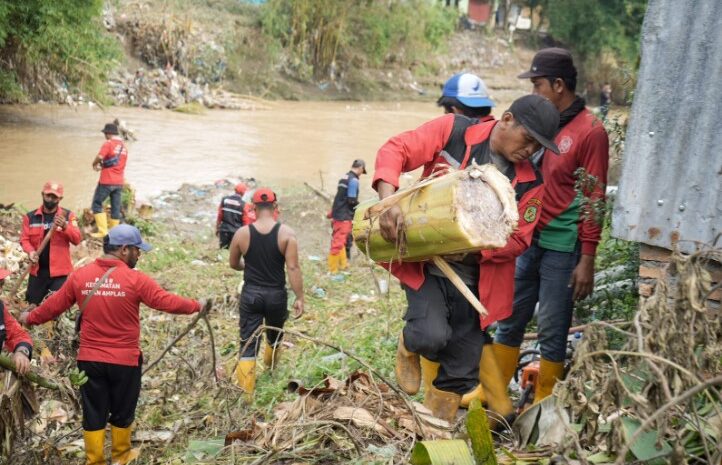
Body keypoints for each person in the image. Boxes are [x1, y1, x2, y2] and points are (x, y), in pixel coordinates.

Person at [374, 94, 559, 422]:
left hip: (477, 279)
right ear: (506, 120)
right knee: (430, 335)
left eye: (537, 147)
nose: (529, 151)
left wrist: (475, 244)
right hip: (429, 263)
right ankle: (408, 342)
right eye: (527, 139)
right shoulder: (455, 131)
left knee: (462, 367)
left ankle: (433, 429)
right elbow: (396, 149)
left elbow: (519, 239)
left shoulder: (531, 182)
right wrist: (388, 201)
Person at [20, 225, 203, 465]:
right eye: (137, 250)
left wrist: (28, 318)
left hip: (90, 361)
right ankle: (120, 458)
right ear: (125, 249)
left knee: (93, 411)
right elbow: (164, 301)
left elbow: (54, 306)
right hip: (124, 362)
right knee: (123, 411)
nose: (139, 255)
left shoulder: (80, 275)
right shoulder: (134, 279)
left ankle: (94, 460)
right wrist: (196, 305)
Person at [493, 48, 610, 404]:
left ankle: (544, 403)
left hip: (563, 245)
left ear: (559, 85)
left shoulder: (590, 132)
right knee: (509, 317)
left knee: (553, 327)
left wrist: (587, 258)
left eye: (538, 84)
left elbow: (593, 196)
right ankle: (495, 394)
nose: (533, 92)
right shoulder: (540, 126)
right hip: (528, 240)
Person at [228, 188, 304, 398]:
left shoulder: (242, 234)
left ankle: (247, 395)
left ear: (252, 208)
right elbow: (293, 268)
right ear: (275, 207)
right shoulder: (287, 234)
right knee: (275, 335)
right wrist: (299, 297)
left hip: (251, 295)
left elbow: (234, 263)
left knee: (248, 341)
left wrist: (249, 266)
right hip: (276, 296)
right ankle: (270, 370)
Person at [20, 181, 82, 305]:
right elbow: (24, 239)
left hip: (59, 273)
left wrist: (65, 226)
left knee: (55, 308)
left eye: (54, 197)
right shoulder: (30, 217)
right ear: (42, 194)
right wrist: (31, 252)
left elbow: (77, 239)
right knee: (31, 305)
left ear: (60, 198)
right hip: (37, 271)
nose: (50, 199)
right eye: (48, 195)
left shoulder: (70, 216)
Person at [91, 122, 128, 238]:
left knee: (97, 204)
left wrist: (94, 163)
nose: (104, 136)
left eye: (105, 133)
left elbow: (101, 157)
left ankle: (103, 231)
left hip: (106, 181)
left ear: (108, 134)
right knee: (115, 207)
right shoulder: (123, 147)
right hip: (119, 182)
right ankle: (114, 233)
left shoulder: (108, 144)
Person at [328, 160, 366, 272]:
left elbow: (339, 197)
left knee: (342, 241)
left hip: (337, 213)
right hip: (344, 216)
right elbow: (352, 200)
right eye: (362, 171)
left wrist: (332, 212)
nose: (361, 174)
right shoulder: (353, 180)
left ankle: (343, 264)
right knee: (338, 243)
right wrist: (362, 208)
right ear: (360, 168)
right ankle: (332, 271)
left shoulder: (344, 177)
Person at [0, 268, 33, 376]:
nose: (0, 290)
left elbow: (18, 335)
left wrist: (22, 351)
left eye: (1, 284)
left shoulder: (1, 309)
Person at [216, 182, 248, 249]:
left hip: (224, 230)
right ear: (244, 193)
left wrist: (217, 228)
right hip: (236, 233)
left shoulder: (225, 199)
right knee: (234, 252)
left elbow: (219, 215)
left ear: (235, 190)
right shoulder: (244, 204)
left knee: (223, 250)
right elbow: (245, 221)